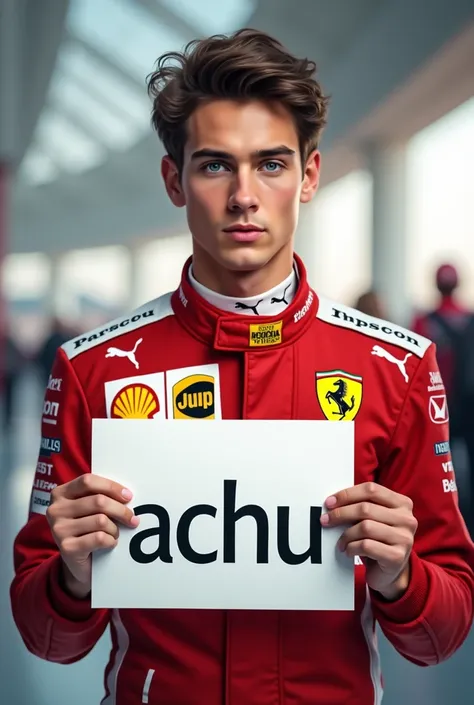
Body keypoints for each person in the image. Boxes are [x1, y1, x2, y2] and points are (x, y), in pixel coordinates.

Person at [10, 29, 474, 705]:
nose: (245, 196)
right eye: (216, 165)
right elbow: (46, 635)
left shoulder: (396, 366)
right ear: (175, 180)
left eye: (272, 164)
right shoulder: (94, 368)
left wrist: (402, 575)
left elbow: (444, 633)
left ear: (309, 176)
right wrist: (73, 574)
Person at [412, 264, 474, 523]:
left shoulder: (423, 321)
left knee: (434, 471)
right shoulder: (470, 319)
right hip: (468, 406)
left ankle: (438, 522)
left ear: (436, 284)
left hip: (434, 406)